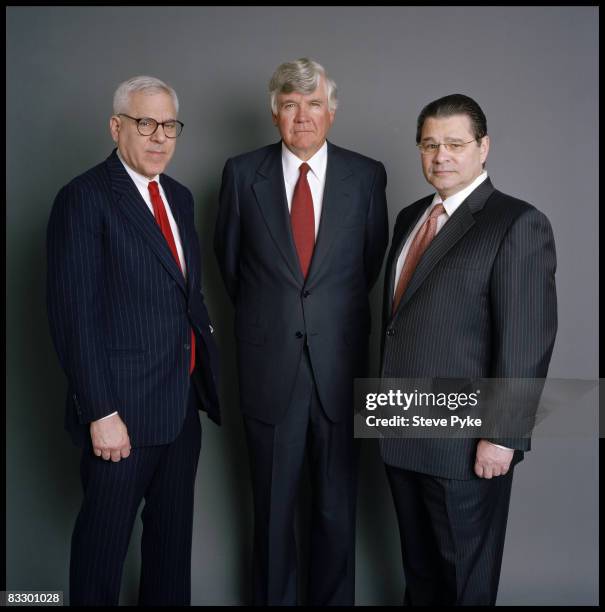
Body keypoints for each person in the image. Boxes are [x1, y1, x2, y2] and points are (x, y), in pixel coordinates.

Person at [214, 57, 388, 605]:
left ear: (331, 112)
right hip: (270, 371)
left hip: (340, 369)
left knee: (337, 512)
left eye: (314, 104)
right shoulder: (242, 175)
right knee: (272, 511)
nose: (303, 116)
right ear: (274, 114)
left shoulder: (367, 175)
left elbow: (369, 263)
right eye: (290, 104)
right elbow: (231, 265)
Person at [46, 75, 220, 606]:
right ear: (116, 127)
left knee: (171, 552)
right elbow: (73, 314)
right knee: (102, 550)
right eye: (146, 123)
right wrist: (100, 411)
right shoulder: (84, 197)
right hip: (119, 413)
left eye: (170, 125)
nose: (159, 137)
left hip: (179, 406)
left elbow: (186, 294)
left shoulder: (180, 198)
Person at [379, 93, 557, 605]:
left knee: (463, 585)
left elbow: (527, 340)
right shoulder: (412, 216)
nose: (441, 156)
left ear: (483, 148)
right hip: (401, 427)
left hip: (465, 443)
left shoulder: (517, 223)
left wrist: (502, 435)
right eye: (430, 144)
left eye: (455, 143)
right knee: (422, 576)